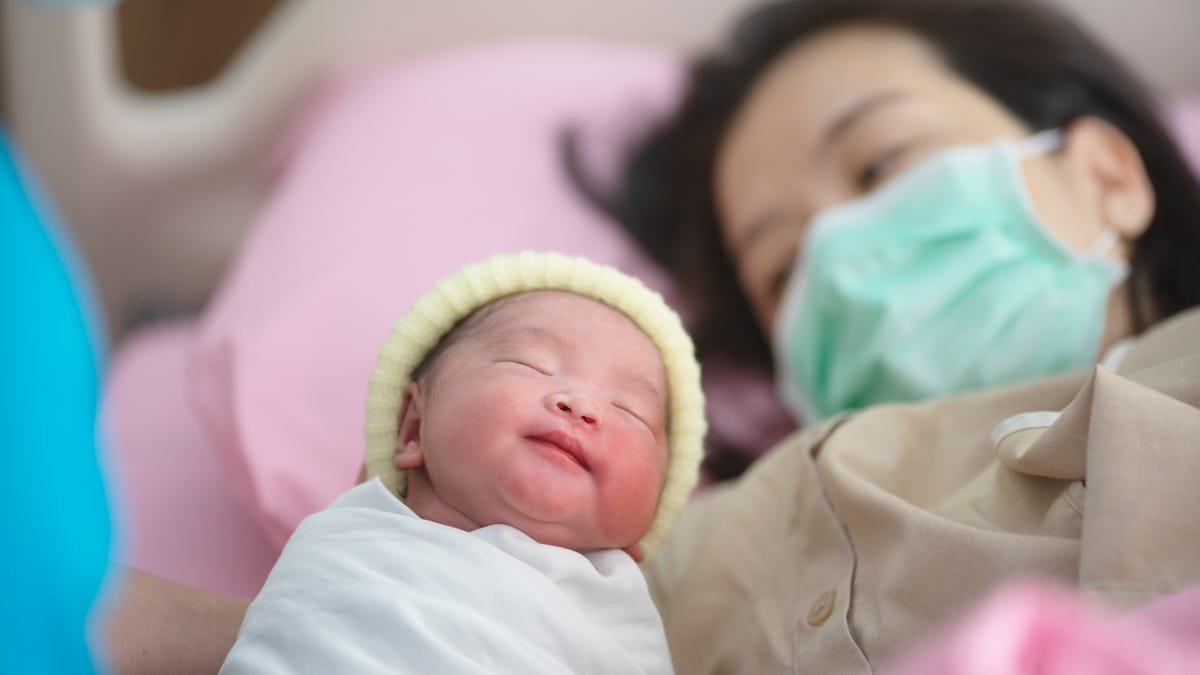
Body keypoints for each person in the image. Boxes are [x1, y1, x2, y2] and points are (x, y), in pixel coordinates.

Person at [594, 0, 1200, 671]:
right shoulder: (708, 548)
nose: (839, 265)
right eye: (783, 269)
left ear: (1107, 175)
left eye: (878, 164)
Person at [219, 251, 706, 674]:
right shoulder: (355, 537)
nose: (582, 405)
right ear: (412, 429)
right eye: (530, 364)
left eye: (631, 412)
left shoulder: (619, 617)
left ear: (640, 532)